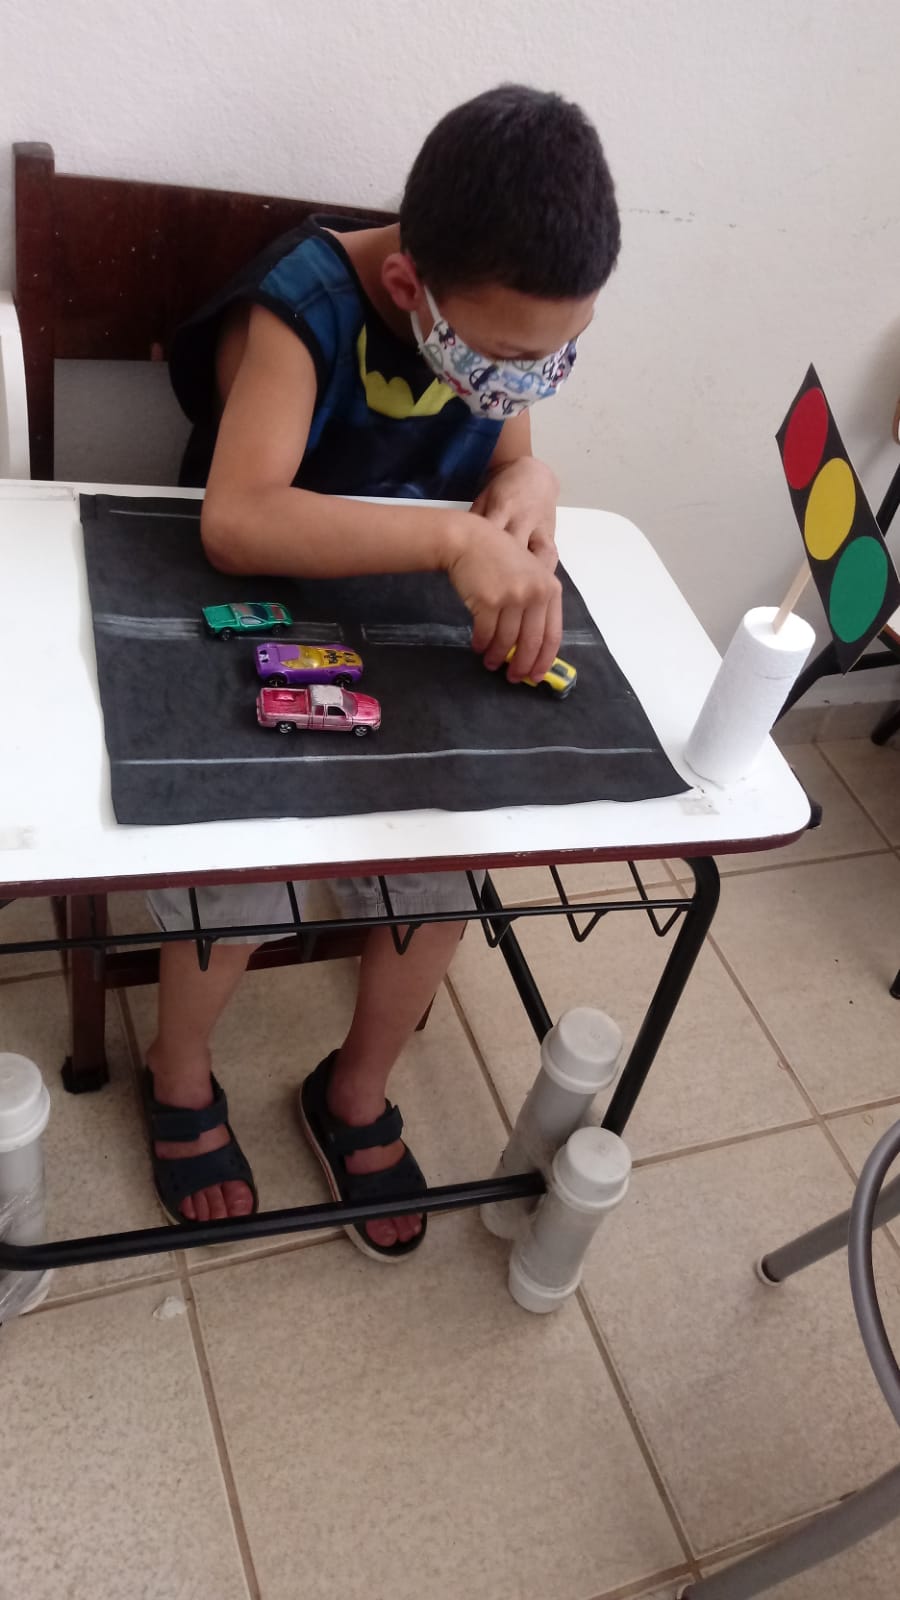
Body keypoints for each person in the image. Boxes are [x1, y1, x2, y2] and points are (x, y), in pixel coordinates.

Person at [143, 84, 621, 1261]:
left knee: (447, 858)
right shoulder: (300, 307)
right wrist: (456, 539)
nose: (525, 380)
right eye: (510, 356)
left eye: (555, 358)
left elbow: (505, 444)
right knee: (237, 863)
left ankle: (354, 1085)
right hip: (253, 603)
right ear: (410, 287)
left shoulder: (495, 329)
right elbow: (237, 520)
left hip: (396, 614)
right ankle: (179, 1066)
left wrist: (531, 482)